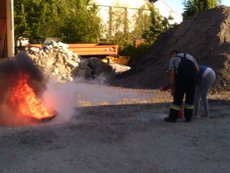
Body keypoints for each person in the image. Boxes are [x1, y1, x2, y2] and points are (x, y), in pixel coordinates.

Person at [164, 50, 199, 122]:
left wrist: (172, 87)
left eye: (171, 55)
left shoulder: (173, 59)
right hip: (192, 79)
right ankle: (188, 118)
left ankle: (172, 118)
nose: (171, 57)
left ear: (174, 54)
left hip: (182, 79)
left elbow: (172, 74)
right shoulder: (190, 56)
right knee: (190, 98)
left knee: (178, 98)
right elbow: (197, 69)